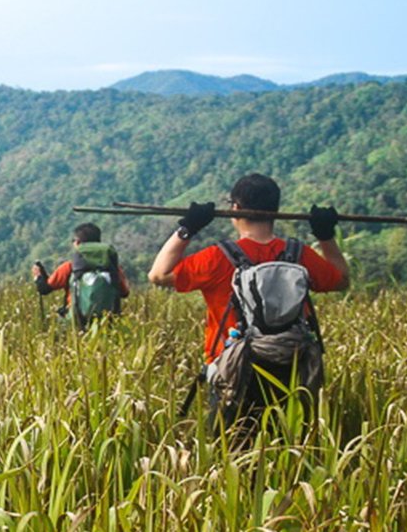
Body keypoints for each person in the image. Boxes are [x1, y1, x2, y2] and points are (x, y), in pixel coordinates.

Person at [147, 173, 348, 436]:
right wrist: (325, 235)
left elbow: (158, 275)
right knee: (287, 448)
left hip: (232, 370)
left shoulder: (217, 258)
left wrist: (187, 228)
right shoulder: (300, 255)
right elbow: (341, 279)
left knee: (230, 451)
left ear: (235, 209)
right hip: (293, 368)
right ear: (275, 211)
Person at [32, 223, 130, 329]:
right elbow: (124, 293)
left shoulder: (70, 267)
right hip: (108, 324)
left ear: (78, 242)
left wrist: (38, 277)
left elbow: (44, 289)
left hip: (77, 323)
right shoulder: (113, 268)